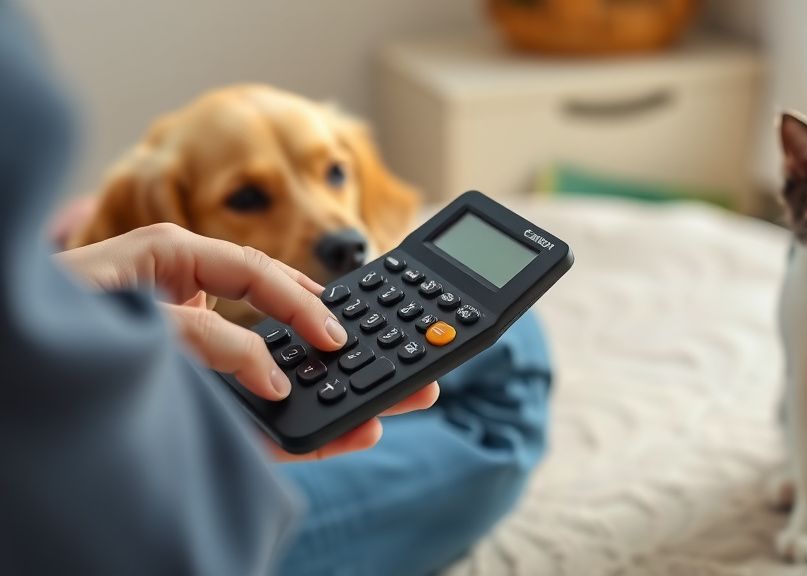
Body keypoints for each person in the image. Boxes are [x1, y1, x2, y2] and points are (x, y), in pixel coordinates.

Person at [1, 2, 552, 574]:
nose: (335, 229)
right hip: (123, 517)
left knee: (417, 332)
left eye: (333, 172)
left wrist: (46, 280)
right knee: (505, 372)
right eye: (248, 199)